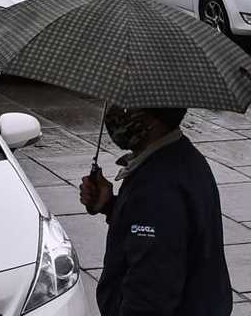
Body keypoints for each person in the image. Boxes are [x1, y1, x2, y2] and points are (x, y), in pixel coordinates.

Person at [80, 106, 232, 316]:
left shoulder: (155, 186)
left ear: (153, 121)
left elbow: (149, 291)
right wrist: (112, 207)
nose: (115, 113)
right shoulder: (180, 156)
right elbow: (166, 232)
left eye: (127, 108)